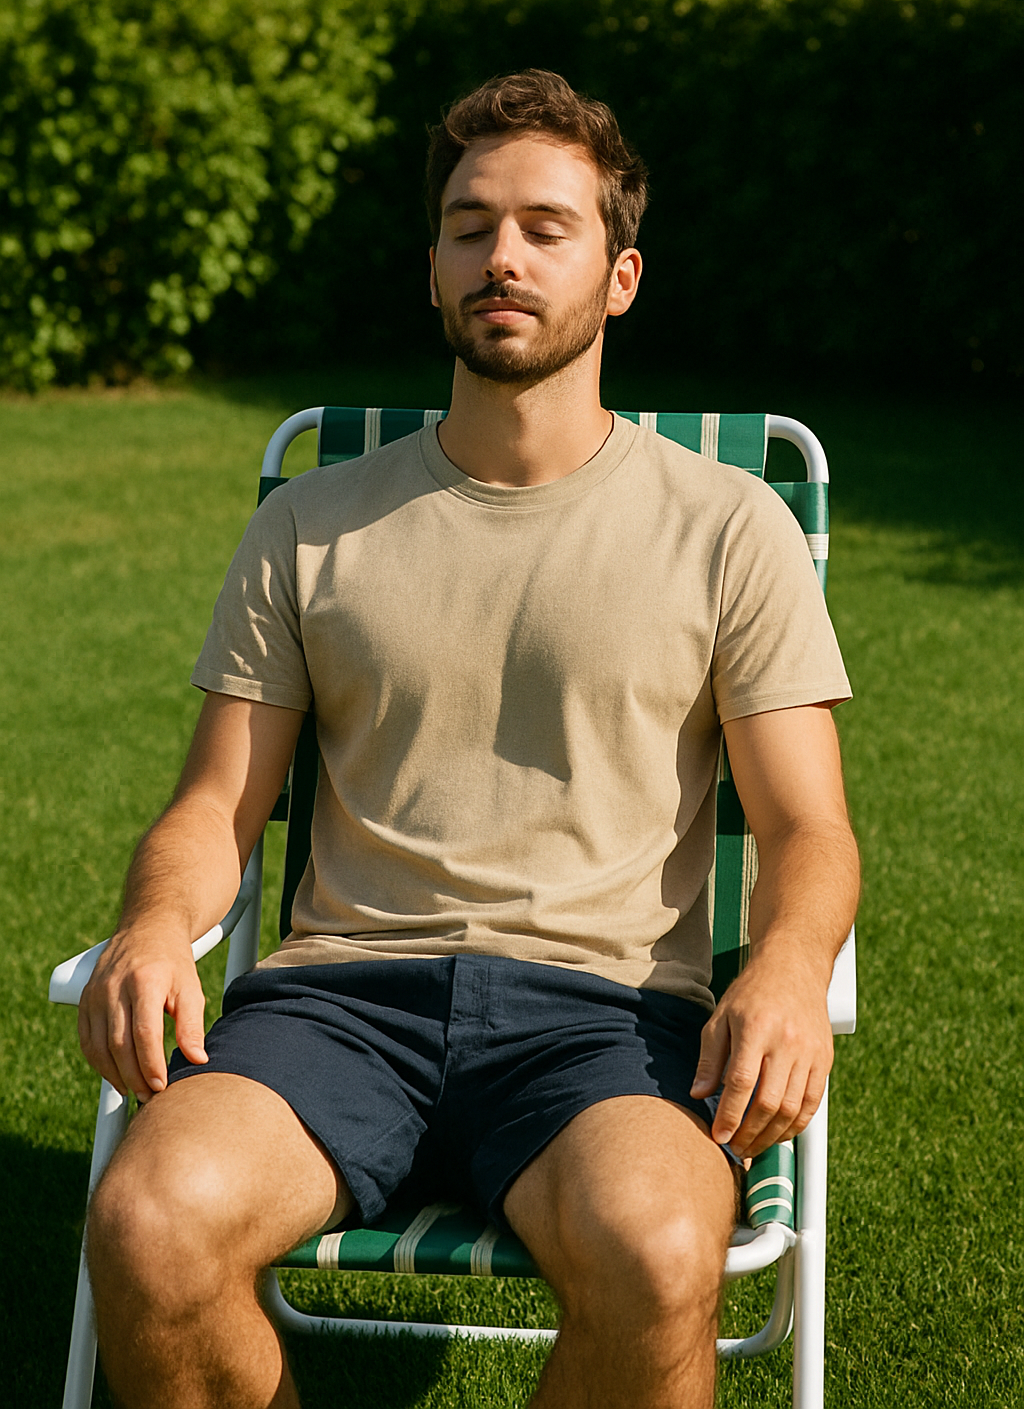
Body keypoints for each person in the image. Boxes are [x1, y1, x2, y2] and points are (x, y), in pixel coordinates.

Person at [79, 69, 858, 1409]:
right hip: (338, 1008)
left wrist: (787, 968)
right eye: (468, 224)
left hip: (605, 1022)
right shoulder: (311, 523)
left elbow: (807, 831)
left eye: (545, 227)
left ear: (619, 277)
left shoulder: (732, 526)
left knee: (662, 1247)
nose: (501, 253)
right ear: (432, 269)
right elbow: (214, 805)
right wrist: (154, 926)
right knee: (149, 1223)